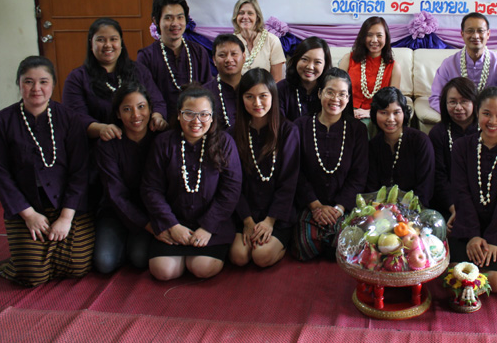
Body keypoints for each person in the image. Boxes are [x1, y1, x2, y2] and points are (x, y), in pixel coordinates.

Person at [0, 56, 94, 286]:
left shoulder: (69, 118)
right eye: (28, 82)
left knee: (78, 266)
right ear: (19, 84)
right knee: (32, 275)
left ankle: (42, 252)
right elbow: (0, 174)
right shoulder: (2, 121)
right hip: (27, 205)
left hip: (67, 205)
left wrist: (65, 218)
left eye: (43, 81)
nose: (36, 89)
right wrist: (29, 215)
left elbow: (80, 170)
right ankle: (32, 257)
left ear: (53, 85)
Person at [140, 84, 242, 281]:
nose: (196, 121)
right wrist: (171, 224)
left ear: (212, 117)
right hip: (174, 220)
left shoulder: (225, 143)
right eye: (189, 114)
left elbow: (231, 190)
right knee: (164, 271)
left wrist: (208, 227)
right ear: (178, 115)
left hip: (213, 223)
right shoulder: (163, 143)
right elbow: (151, 189)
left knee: (202, 268)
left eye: (204, 114)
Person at [449, 87, 497, 293]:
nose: (492, 121)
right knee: (453, 273)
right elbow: (461, 192)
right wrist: (473, 235)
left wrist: (494, 238)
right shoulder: (461, 147)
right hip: (468, 224)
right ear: (477, 113)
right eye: (487, 114)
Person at [292, 68, 369, 261]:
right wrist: (316, 206)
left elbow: (358, 175)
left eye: (342, 94)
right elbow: (296, 172)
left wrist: (339, 209)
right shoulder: (300, 126)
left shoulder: (357, 129)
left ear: (349, 98)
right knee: (305, 248)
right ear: (319, 93)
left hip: (343, 206)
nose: (336, 99)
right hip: (310, 204)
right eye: (330, 92)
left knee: (343, 247)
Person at [229, 69, 300, 269]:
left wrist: (270, 221)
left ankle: (284, 242)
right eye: (249, 97)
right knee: (239, 257)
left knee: (261, 256)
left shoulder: (288, 131)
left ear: (273, 97)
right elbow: (233, 183)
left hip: (277, 214)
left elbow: (289, 181)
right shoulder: (232, 133)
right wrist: (247, 220)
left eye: (263, 96)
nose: (257, 103)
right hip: (245, 212)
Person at [94, 82, 166, 273]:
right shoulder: (108, 144)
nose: (135, 115)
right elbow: (115, 194)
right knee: (104, 263)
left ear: (150, 109)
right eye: (127, 109)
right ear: (118, 113)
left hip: (149, 210)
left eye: (141, 107)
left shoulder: (160, 138)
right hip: (115, 212)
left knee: (140, 259)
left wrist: (153, 221)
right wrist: (148, 227)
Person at [62, 17, 168, 140]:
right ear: (91, 44)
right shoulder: (77, 78)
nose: (107, 45)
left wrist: (157, 117)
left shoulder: (139, 70)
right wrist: (100, 129)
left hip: (141, 141)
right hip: (100, 145)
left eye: (113, 39)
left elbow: (157, 101)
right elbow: (76, 117)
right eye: (101, 40)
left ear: (121, 43)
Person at [137, 0, 213, 120]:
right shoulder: (146, 57)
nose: (175, 23)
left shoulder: (199, 52)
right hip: (160, 125)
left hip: (195, 124)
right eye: (168, 18)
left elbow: (208, 91)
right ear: (156, 20)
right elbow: (143, 96)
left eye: (180, 17)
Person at [429, 13, 497, 113]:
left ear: (488, 34)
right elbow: (436, 98)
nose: (475, 36)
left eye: (480, 31)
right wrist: (453, 114)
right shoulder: (448, 64)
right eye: (470, 31)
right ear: (462, 34)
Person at [366, 87, 434, 207]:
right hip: (381, 212)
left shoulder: (420, 141)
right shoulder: (373, 146)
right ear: (375, 114)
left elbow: (425, 187)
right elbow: (372, 188)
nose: (390, 119)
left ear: (404, 113)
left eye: (396, 112)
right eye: (384, 112)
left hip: (416, 209)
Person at [428, 77, 479, 226]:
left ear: (474, 102)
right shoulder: (438, 133)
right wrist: (454, 207)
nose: (458, 107)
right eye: (452, 102)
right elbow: (438, 176)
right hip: (449, 203)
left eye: (464, 101)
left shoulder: (486, 131)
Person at [339, 16, 401, 123]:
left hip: (378, 113)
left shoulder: (394, 67)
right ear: (363, 37)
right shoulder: (348, 59)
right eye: (369, 35)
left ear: (386, 38)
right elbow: (338, 90)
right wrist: (348, 111)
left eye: (379, 35)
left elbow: (392, 101)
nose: (374, 40)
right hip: (347, 110)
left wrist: (370, 112)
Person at [277, 36, 332, 121]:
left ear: (325, 65)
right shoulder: (281, 89)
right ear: (296, 60)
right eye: (304, 59)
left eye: (317, 62)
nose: (310, 67)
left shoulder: (330, 91)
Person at [232, 0, 286, 81]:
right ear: (236, 17)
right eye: (241, 13)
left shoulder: (272, 41)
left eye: (250, 13)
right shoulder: (230, 42)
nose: (245, 17)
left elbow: (277, 81)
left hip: (266, 93)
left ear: (257, 17)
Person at [204, 34, 246, 131]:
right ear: (214, 60)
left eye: (234, 54)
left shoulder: (254, 88)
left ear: (244, 57)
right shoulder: (205, 94)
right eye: (222, 55)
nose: (229, 60)